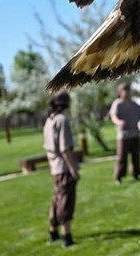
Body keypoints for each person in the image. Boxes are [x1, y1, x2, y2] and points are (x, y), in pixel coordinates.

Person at [43, 89, 80, 248]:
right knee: (66, 202)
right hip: (63, 168)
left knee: (57, 200)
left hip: (54, 168)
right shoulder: (62, 120)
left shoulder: (49, 120)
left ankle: (53, 232)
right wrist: (73, 169)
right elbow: (65, 149)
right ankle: (67, 237)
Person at [109, 82, 140, 184]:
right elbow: (113, 116)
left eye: (128, 90)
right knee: (122, 157)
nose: (126, 93)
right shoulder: (117, 103)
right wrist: (119, 122)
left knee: (136, 156)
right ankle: (118, 177)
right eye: (124, 91)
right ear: (120, 92)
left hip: (135, 134)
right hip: (123, 135)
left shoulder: (133, 104)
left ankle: (136, 174)